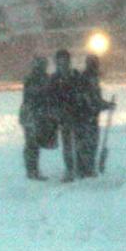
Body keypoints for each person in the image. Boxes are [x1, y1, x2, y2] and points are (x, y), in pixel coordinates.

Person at [76, 55, 115, 178]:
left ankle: (86, 168)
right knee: (88, 144)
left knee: (87, 144)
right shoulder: (87, 79)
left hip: (88, 116)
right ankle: (86, 170)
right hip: (86, 117)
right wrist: (105, 105)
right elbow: (92, 101)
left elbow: (95, 99)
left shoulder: (90, 78)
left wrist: (106, 105)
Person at [49, 49, 84, 182]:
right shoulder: (55, 78)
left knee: (77, 143)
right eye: (60, 60)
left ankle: (79, 168)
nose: (63, 63)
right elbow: (51, 97)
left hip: (76, 114)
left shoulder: (74, 75)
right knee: (68, 144)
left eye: (65, 59)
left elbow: (82, 91)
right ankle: (70, 169)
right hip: (64, 116)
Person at [19, 56, 52, 180]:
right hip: (32, 115)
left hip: (31, 115)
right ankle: (32, 170)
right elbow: (35, 97)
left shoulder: (35, 78)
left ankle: (32, 169)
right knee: (32, 144)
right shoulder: (35, 79)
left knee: (32, 144)